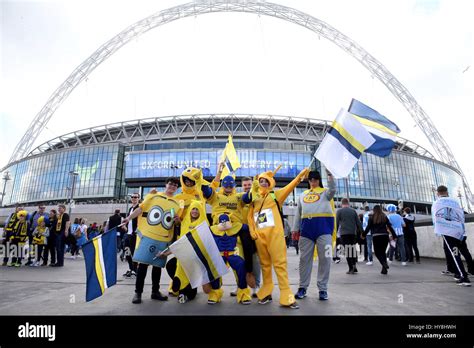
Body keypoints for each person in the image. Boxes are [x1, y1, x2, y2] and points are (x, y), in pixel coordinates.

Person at [243, 166, 309, 309]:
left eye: (266, 181)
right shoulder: (254, 198)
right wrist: (252, 230)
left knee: (280, 265)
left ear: (271, 182)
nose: (263, 183)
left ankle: (287, 295)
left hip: (275, 236)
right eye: (261, 181)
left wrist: (299, 177)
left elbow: (290, 187)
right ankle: (266, 292)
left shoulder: (275, 195)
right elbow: (250, 216)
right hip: (260, 238)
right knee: (265, 266)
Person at [123, 177, 181, 304]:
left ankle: (155, 292)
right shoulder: (154, 197)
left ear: (177, 188)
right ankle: (138, 293)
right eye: (171, 184)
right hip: (148, 237)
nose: (172, 186)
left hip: (162, 239)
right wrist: (128, 218)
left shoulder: (176, 204)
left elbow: (173, 220)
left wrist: (177, 221)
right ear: (166, 184)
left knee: (157, 268)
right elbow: (141, 209)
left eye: (175, 185)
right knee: (142, 266)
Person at [292, 169, 336, 301]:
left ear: (319, 180)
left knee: (326, 259)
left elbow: (333, 189)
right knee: (304, 260)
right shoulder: (302, 195)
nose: (313, 181)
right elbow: (298, 213)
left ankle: (323, 289)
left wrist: (330, 175)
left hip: (324, 229)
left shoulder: (326, 193)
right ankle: (302, 287)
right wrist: (295, 229)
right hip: (306, 230)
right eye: (311, 179)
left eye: (315, 179)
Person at [432, 185, 471, 286]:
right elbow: (461, 216)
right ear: (447, 192)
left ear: (438, 193)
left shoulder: (437, 203)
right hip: (458, 231)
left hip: (448, 231)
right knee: (459, 252)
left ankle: (464, 277)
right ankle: (459, 273)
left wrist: (438, 230)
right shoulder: (455, 202)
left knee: (455, 254)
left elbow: (435, 218)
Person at [361, 205, 397, 275]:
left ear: (374, 210)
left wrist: (363, 235)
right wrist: (394, 235)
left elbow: (368, 228)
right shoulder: (384, 217)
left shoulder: (371, 217)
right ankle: (384, 270)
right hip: (385, 236)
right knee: (383, 252)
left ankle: (384, 264)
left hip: (376, 236)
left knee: (377, 253)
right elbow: (390, 227)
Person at [336, 198, 363, 275]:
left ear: (342, 204)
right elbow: (358, 223)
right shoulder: (353, 211)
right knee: (353, 249)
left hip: (344, 234)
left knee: (348, 251)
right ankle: (354, 265)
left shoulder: (339, 211)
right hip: (352, 234)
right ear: (348, 203)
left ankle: (351, 268)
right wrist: (362, 233)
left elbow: (337, 224)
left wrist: (334, 234)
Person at [122, 193, 141, 279]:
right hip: (128, 234)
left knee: (134, 253)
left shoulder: (139, 208)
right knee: (127, 252)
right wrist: (125, 226)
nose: (133, 198)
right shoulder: (130, 208)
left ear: (138, 198)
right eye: (132, 197)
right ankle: (131, 268)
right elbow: (129, 220)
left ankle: (135, 270)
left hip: (134, 234)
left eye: (135, 197)